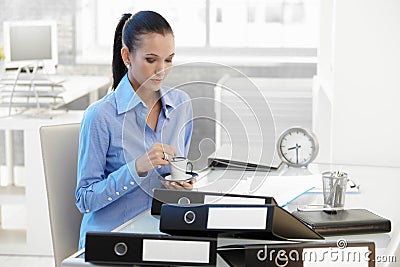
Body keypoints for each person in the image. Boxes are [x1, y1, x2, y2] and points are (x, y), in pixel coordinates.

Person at [75, 11, 195, 249]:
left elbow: (176, 172)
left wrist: (177, 185)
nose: (161, 70)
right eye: (151, 60)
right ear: (127, 56)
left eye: (168, 59)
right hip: (111, 241)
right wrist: (136, 168)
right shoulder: (100, 116)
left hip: (162, 235)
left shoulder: (181, 105)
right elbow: (85, 199)